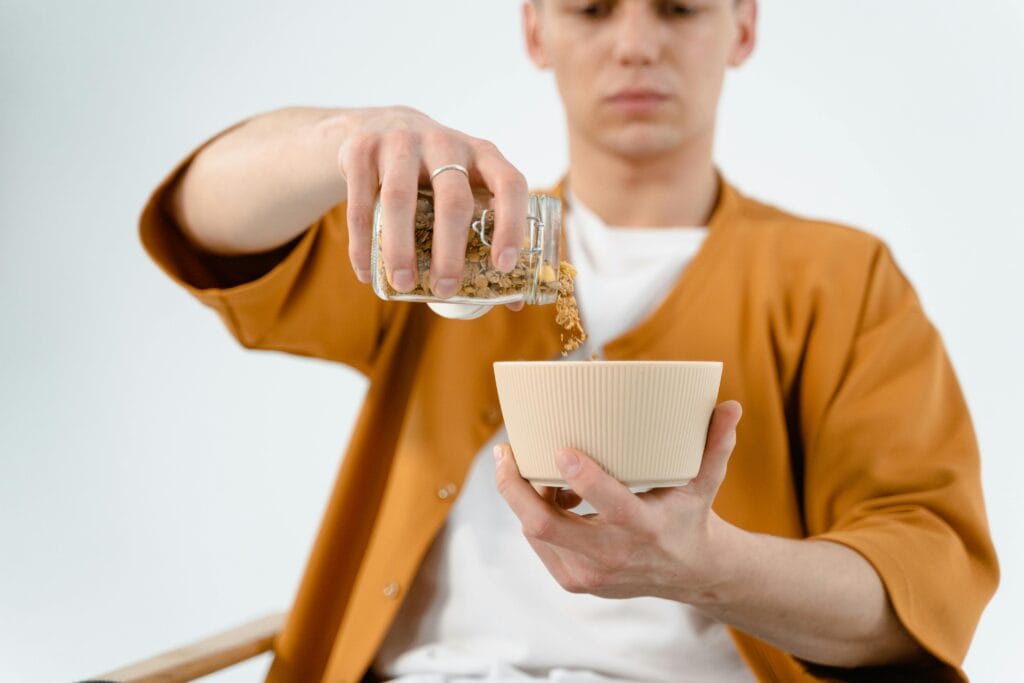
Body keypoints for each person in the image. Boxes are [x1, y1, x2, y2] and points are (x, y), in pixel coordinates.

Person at [139, 1, 998, 681]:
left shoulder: (839, 278)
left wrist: (709, 567)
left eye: (677, 8)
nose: (633, 45)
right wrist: (343, 142)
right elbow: (207, 228)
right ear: (533, 27)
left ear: (743, 25)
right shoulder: (443, 249)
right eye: (590, 8)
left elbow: (922, 584)